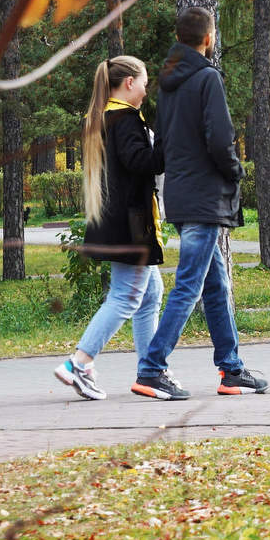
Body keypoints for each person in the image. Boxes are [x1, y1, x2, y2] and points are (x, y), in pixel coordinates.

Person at [136, 6, 268, 399]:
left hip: (179, 193)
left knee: (215, 283)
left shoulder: (167, 85)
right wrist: (234, 171)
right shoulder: (208, 78)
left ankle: (232, 370)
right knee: (190, 285)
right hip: (205, 196)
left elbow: (162, 143)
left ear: (180, 38)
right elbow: (219, 138)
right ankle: (152, 368)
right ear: (208, 39)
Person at [54, 55, 166, 401]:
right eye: (145, 83)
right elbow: (142, 163)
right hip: (129, 226)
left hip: (117, 223)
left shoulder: (105, 117)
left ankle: (151, 371)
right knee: (127, 296)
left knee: (150, 294)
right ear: (129, 82)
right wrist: (163, 137)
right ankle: (78, 363)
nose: (147, 91)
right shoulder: (125, 119)